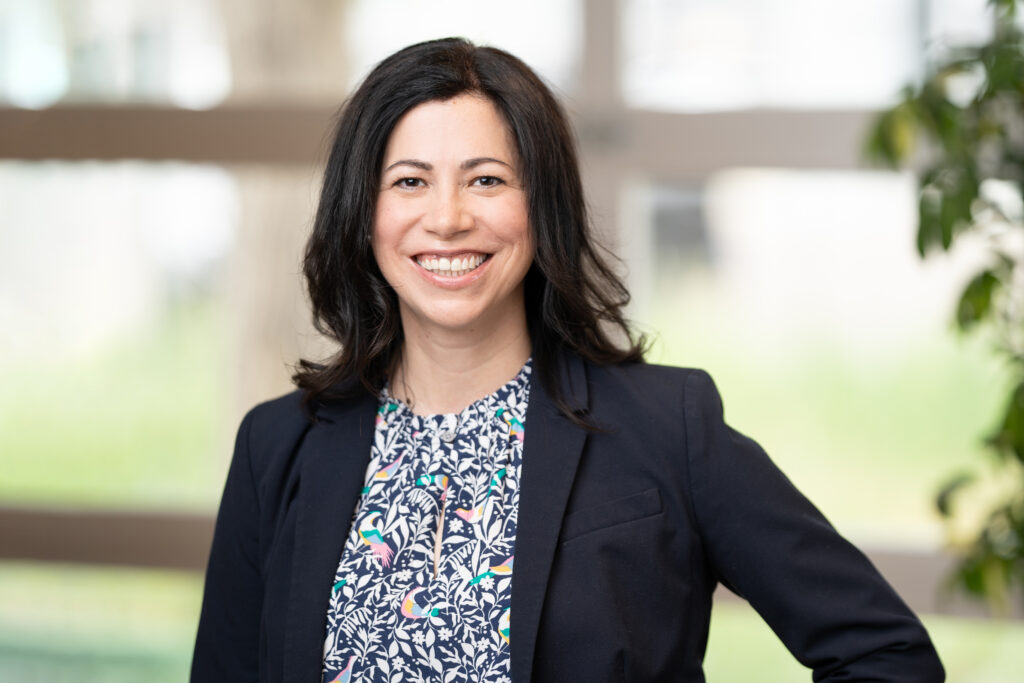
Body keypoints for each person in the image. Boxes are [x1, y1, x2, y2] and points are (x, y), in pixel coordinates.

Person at [191, 38, 944, 682]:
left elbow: (886, 653)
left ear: (539, 205)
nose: (448, 217)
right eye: (410, 181)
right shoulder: (277, 444)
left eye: (486, 179)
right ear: (364, 213)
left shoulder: (668, 427)